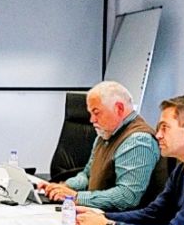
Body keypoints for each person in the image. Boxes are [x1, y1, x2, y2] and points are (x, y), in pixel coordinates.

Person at [77, 95, 184, 225]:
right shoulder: (183, 167)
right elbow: (154, 213)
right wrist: (101, 216)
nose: (158, 135)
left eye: (165, 127)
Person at [38, 81, 162, 211]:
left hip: (123, 220)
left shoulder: (138, 140)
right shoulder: (105, 135)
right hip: (98, 214)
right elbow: (87, 175)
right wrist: (65, 187)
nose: (92, 120)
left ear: (119, 108)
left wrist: (76, 197)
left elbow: (127, 196)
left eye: (96, 113)